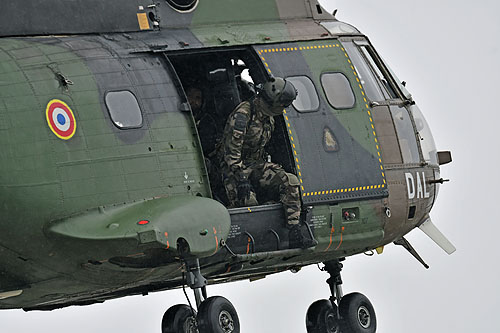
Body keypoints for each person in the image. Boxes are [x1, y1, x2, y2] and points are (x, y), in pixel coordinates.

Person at [219, 77, 316, 248]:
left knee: (290, 181)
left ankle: (294, 231)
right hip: (233, 169)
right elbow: (231, 153)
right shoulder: (243, 115)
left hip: (255, 165)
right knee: (249, 204)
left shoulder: (268, 118)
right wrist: (242, 180)